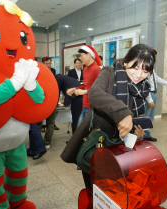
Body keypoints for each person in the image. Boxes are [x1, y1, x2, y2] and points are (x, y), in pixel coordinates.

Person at [61, 44, 155, 189]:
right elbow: (95, 93)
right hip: (99, 144)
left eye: (145, 71)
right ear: (125, 62)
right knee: (95, 192)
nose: (139, 75)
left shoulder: (142, 87)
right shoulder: (110, 72)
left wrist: (138, 133)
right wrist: (123, 113)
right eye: (135, 68)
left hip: (122, 149)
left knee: (115, 192)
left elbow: (134, 118)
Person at [144, 49, 167, 142]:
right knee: (146, 117)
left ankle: (145, 134)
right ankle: (144, 135)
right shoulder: (146, 68)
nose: (156, 58)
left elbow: (156, 78)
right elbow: (144, 85)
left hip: (153, 94)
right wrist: (149, 99)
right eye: (156, 56)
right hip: (149, 94)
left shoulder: (151, 68)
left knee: (150, 117)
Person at [66, 45, 102, 126]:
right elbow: (86, 86)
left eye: (81, 55)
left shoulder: (97, 70)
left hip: (93, 108)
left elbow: (101, 90)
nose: (80, 58)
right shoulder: (85, 69)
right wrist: (75, 89)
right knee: (81, 133)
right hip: (84, 106)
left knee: (85, 134)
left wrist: (83, 92)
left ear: (88, 55)